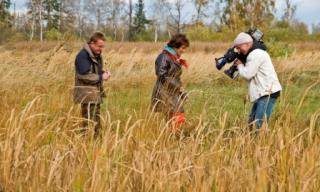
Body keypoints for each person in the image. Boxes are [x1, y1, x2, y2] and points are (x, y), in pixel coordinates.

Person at [233, 32, 282, 134]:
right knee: (252, 120)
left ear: (246, 44)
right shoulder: (255, 53)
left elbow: (247, 74)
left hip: (267, 92)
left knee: (259, 124)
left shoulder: (255, 54)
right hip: (263, 91)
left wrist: (240, 65)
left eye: (238, 47)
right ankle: (251, 143)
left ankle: (262, 146)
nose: (238, 51)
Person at [74, 32, 111, 137]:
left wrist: (103, 73)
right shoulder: (83, 56)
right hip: (87, 95)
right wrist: (100, 77)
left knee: (95, 120)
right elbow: (83, 76)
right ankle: (87, 143)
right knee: (89, 122)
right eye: (99, 46)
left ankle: (96, 143)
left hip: (94, 93)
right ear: (92, 43)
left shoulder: (95, 54)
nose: (101, 49)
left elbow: (94, 71)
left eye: (102, 47)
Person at [151, 34, 190, 132]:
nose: (183, 50)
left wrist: (182, 92)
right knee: (177, 116)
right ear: (175, 46)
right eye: (182, 48)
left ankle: (170, 137)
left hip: (172, 92)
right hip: (164, 92)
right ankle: (172, 136)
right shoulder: (164, 57)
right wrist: (178, 87)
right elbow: (161, 74)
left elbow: (176, 78)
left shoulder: (172, 58)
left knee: (175, 116)